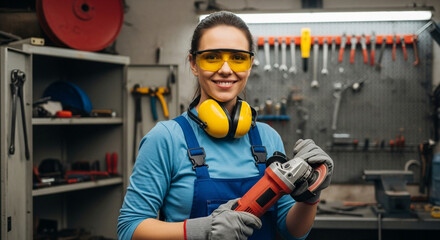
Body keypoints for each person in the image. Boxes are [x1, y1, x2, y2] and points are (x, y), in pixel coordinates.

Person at [117, 11, 334, 240]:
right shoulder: (166, 138)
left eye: (238, 58)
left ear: (250, 65)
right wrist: (201, 230)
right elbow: (129, 229)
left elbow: (292, 232)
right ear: (193, 63)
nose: (226, 69)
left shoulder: (268, 138)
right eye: (212, 57)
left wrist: (311, 194)